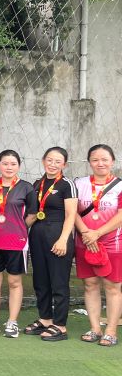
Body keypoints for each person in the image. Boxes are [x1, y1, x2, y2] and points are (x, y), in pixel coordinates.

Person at [0, 150, 37, 338]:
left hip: (16, 242)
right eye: (5, 163)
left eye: (13, 164)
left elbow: (32, 214)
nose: (9, 167)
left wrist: (19, 228)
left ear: (18, 166)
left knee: (14, 281)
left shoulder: (26, 188)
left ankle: (12, 322)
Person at [24, 146, 76, 341]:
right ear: (43, 161)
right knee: (41, 280)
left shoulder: (66, 184)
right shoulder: (37, 183)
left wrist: (64, 239)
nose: (53, 164)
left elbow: (71, 214)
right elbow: (32, 213)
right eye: (49, 160)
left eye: (58, 161)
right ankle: (45, 319)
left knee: (59, 282)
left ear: (64, 164)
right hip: (38, 234)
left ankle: (60, 325)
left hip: (57, 234)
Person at [74, 144, 122, 347]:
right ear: (89, 162)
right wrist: (86, 233)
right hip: (84, 242)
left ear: (112, 161)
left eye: (104, 159)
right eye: (95, 160)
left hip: (112, 243)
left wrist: (97, 233)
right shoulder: (79, 183)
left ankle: (110, 330)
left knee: (112, 287)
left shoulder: (120, 186)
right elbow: (72, 211)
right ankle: (95, 328)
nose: (100, 163)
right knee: (90, 284)